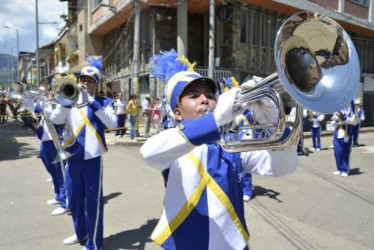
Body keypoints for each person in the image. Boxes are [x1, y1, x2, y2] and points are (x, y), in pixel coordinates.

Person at [140, 68, 298, 249]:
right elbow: (148, 152)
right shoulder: (174, 143)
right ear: (178, 113)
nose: (204, 99)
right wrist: (215, 119)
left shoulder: (232, 145)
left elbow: (285, 166)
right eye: (193, 96)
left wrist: (271, 119)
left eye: (209, 94)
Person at [49, 56, 117, 249]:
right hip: (72, 157)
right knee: (75, 199)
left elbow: (112, 123)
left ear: (96, 84)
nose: (85, 83)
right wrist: (65, 102)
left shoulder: (104, 102)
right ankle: (81, 233)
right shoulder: (69, 100)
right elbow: (55, 120)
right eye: (83, 80)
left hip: (93, 159)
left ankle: (94, 243)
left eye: (90, 81)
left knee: (93, 203)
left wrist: (93, 103)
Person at [24, 92, 68, 216]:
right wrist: (27, 101)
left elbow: (46, 112)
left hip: (55, 140)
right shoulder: (49, 103)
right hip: (45, 138)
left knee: (60, 171)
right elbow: (34, 109)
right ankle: (58, 195)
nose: (49, 94)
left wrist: (37, 104)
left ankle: (65, 202)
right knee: (52, 170)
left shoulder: (59, 104)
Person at [331, 100, 357, 177]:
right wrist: (336, 120)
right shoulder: (337, 111)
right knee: (337, 152)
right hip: (337, 134)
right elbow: (333, 123)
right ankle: (338, 169)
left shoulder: (353, 111)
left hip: (346, 135)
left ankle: (345, 169)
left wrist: (344, 118)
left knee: (346, 153)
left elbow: (354, 121)